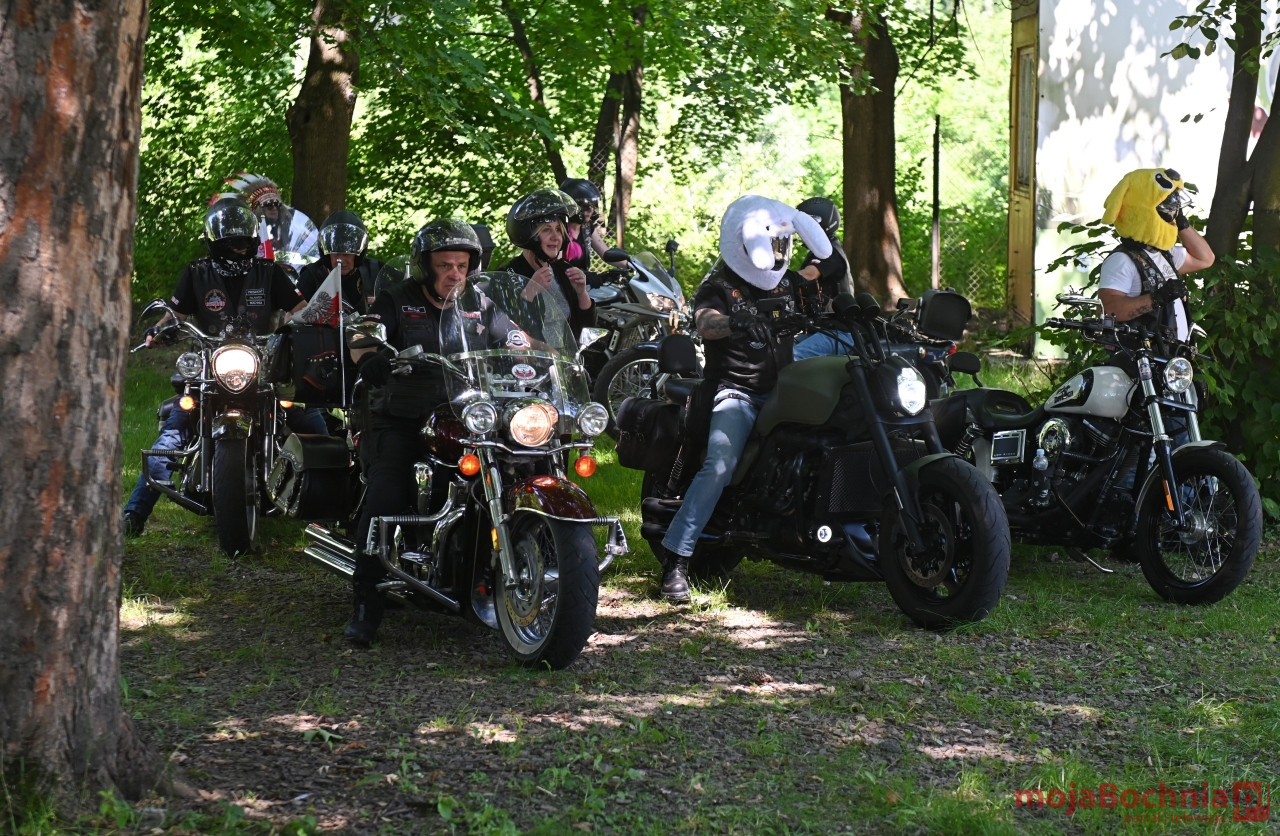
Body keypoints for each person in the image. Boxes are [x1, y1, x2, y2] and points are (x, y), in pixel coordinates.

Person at [344, 219, 526, 645]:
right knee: (387, 495)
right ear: (426, 267)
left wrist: (553, 358)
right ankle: (366, 601)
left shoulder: (480, 303)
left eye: (462, 265)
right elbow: (362, 339)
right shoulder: (398, 299)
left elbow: (520, 341)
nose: (454, 274)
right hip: (404, 416)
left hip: (468, 415)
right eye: (445, 265)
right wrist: (369, 358)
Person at [656, 195, 831, 603]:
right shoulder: (717, 286)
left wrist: (846, 312)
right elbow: (705, 323)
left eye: (783, 243)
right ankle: (676, 559)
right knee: (719, 465)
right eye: (773, 243)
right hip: (737, 390)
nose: (779, 251)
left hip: (785, 391)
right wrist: (735, 321)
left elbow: (819, 302)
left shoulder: (785, 282)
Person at [122, 197, 326, 536]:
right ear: (215, 243)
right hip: (211, 366)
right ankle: (133, 515)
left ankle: (330, 509)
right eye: (232, 243)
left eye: (245, 242)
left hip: (264, 365)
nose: (240, 249)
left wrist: (308, 325)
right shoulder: (197, 273)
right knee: (172, 434)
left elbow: (299, 307)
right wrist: (158, 330)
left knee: (313, 420)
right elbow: (177, 314)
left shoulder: (269, 272)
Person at [1098, 167, 1214, 343]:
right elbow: (1108, 310)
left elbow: (1205, 258)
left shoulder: (1164, 254)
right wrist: (1157, 298)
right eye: (1169, 211)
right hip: (1141, 354)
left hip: (1172, 353)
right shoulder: (1122, 260)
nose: (1172, 217)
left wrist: (1182, 224)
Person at [499, 188, 597, 342]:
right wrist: (529, 292)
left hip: (569, 355)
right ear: (528, 235)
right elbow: (503, 331)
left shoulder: (564, 270)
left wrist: (581, 292)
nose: (555, 237)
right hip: (531, 356)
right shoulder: (507, 276)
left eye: (558, 229)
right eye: (546, 230)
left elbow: (588, 327)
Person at [790, 196, 857, 360]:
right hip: (824, 330)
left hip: (840, 333)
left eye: (804, 227)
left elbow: (808, 275)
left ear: (816, 225)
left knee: (792, 357)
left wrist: (774, 279)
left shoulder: (829, 252)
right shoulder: (821, 250)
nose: (800, 233)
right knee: (777, 352)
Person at [297, 210, 395, 314]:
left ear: (358, 254)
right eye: (335, 254)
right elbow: (294, 315)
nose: (341, 260)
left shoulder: (377, 271)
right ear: (327, 254)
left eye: (346, 254)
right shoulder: (311, 276)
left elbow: (403, 292)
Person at [224, 172, 320, 277]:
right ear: (259, 210)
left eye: (277, 204)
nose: (274, 208)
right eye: (269, 205)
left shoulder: (290, 229)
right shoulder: (247, 232)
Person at [558, 178, 612, 271]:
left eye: (593, 205)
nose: (591, 210)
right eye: (585, 206)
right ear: (571, 206)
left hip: (581, 279)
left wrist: (631, 264)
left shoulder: (586, 227)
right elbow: (557, 264)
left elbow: (606, 254)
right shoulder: (558, 228)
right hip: (560, 278)